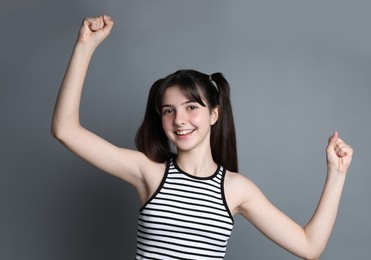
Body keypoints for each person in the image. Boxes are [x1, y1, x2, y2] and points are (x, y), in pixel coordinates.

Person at [51, 15, 353, 260]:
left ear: (214, 114)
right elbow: (65, 129)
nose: (179, 119)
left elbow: (309, 247)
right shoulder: (149, 172)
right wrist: (84, 47)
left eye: (191, 107)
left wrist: (336, 174)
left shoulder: (236, 189)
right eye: (168, 110)